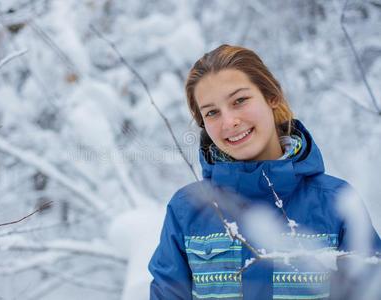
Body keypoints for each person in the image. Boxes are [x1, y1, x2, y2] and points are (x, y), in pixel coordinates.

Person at [148, 44, 381, 300]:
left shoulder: (335, 201)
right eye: (212, 113)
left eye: (240, 100)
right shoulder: (186, 209)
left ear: (272, 96)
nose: (229, 122)